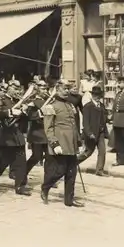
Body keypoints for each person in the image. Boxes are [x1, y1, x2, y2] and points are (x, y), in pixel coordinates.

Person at [40, 79, 84, 207]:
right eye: (64, 89)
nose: (67, 91)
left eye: (67, 89)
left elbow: (73, 125)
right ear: (57, 90)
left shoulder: (70, 105)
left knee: (72, 172)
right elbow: (48, 128)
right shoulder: (50, 106)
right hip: (60, 143)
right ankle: (45, 187)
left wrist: (78, 141)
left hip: (71, 144)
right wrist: (54, 144)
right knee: (59, 171)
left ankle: (69, 200)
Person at [79, 86, 109, 176]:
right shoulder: (88, 107)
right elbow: (85, 122)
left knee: (102, 151)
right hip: (91, 134)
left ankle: (99, 170)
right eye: (95, 95)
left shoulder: (102, 106)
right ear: (92, 95)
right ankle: (73, 163)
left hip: (100, 133)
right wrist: (89, 133)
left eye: (99, 95)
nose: (97, 97)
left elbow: (104, 118)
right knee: (88, 152)